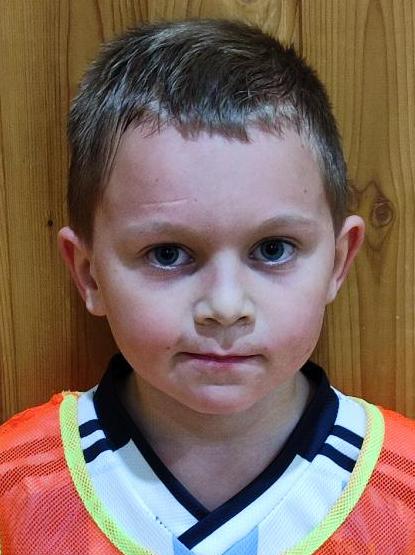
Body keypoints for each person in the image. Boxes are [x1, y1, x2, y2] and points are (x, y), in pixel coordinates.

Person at [0, 19, 414, 555]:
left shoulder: (401, 496)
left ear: (338, 262)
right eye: (168, 254)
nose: (224, 306)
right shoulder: (17, 489)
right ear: (89, 274)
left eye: (273, 249)